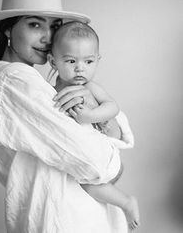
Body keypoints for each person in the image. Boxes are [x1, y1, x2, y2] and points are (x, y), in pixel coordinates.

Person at [0, 0, 136, 232]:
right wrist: (113, 160)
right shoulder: (14, 81)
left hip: (76, 215)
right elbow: (97, 164)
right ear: (8, 27)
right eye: (35, 24)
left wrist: (97, 111)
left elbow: (111, 128)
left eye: (55, 26)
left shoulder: (41, 83)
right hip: (63, 220)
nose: (48, 37)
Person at [47, 21, 140, 230]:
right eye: (71, 61)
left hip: (102, 159)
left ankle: (126, 202)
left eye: (88, 62)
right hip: (80, 157)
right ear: (53, 62)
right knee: (77, 190)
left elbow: (112, 107)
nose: (80, 68)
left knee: (85, 183)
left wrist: (89, 115)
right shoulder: (49, 91)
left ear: (98, 60)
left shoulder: (90, 87)